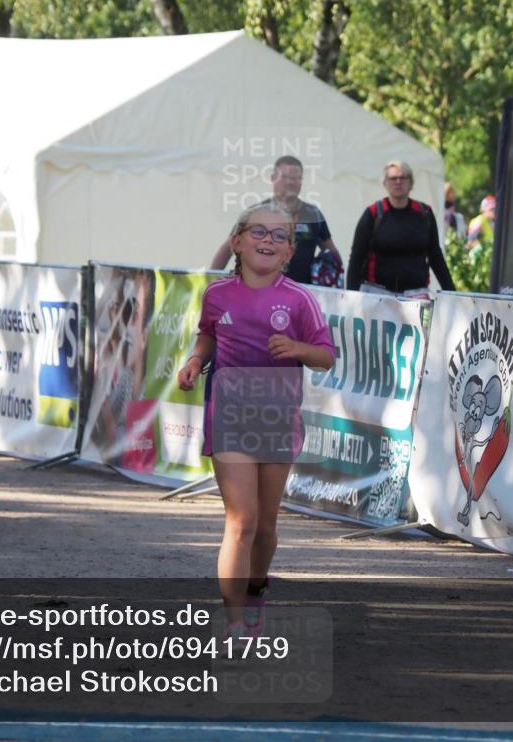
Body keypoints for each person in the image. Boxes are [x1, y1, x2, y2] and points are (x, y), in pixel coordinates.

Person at [180, 202, 335, 641]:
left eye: (279, 236)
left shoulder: (300, 300)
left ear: (289, 252)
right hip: (229, 413)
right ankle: (233, 623)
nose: (267, 240)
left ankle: (254, 592)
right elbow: (207, 335)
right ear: (237, 242)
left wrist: (298, 350)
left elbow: (325, 355)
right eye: (258, 232)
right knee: (241, 519)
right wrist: (195, 361)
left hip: (277, 416)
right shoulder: (217, 295)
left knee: (266, 525)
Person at [210, 156, 342, 285]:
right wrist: (211, 283)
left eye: (295, 178)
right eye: (284, 177)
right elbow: (228, 248)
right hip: (259, 293)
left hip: (300, 294)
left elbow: (333, 254)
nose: (290, 182)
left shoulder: (313, 214)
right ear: (273, 178)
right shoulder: (255, 213)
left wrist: (338, 290)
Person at [347, 160, 456, 297]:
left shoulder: (425, 213)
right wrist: (350, 297)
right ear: (385, 183)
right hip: (376, 294)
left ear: (411, 183)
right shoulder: (373, 213)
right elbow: (356, 257)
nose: (398, 182)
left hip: (416, 295)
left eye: (403, 177)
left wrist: (452, 294)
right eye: (393, 178)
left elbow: (435, 256)